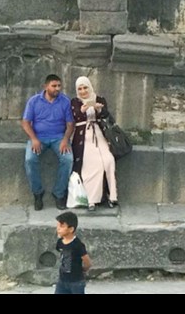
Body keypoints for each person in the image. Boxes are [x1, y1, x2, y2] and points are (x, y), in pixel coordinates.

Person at [23, 74, 75, 211]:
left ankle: (59, 193)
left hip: (59, 138)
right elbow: (25, 123)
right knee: (30, 159)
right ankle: (38, 193)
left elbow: (70, 124)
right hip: (39, 137)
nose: (57, 88)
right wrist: (34, 139)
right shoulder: (34, 101)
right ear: (45, 86)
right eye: (54, 86)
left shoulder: (65, 101)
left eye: (59, 86)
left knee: (68, 159)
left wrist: (65, 140)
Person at [69, 76, 119, 212]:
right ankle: (91, 199)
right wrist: (83, 110)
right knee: (92, 165)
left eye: (85, 87)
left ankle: (113, 196)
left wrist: (98, 109)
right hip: (83, 137)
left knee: (109, 161)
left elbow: (106, 115)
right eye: (80, 89)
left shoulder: (99, 98)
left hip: (99, 134)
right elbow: (75, 116)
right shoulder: (74, 101)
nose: (83, 91)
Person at [55, 211, 92, 294]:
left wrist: (83, 270)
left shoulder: (78, 245)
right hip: (62, 280)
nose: (58, 229)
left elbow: (87, 262)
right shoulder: (60, 242)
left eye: (61, 226)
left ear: (71, 229)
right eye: (57, 226)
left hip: (76, 282)